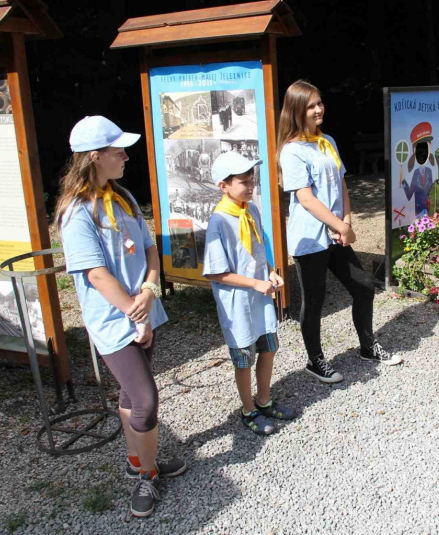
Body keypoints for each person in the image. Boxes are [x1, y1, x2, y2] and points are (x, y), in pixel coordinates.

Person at [56, 116, 187, 517]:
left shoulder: (123, 197)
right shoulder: (77, 214)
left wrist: (148, 291)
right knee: (147, 400)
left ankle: (138, 462)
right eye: (118, 151)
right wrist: (135, 315)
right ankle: (148, 476)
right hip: (116, 323)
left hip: (142, 312)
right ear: (94, 157)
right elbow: (96, 275)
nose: (126, 156)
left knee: (131, 395)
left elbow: (149, 249)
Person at [278, 80, 402, 384]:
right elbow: (305, 199)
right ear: (297, 110)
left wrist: (346, 221)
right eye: (311, 105)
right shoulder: (292, 151)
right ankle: (315, 360)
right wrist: (339, 225)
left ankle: (367, 346)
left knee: (362, 286)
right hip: (310, 237)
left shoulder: (327, 141)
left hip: (335, 233)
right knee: (315, 300)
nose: (319, 108)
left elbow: (342, 184)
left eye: (320, 102)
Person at [202, 151, 294, 435]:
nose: (251, 185)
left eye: (252, 179)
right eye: (244, 181)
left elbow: (258, 250)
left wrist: (269, 272)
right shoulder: (219, 222)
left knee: (269, 348)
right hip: (238, 303)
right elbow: (216, 272)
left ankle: (264, 400)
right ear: (223, 186)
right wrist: (255, 283)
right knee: (244, 358)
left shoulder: (250, 210)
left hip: (260, 298)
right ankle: (248, 409)